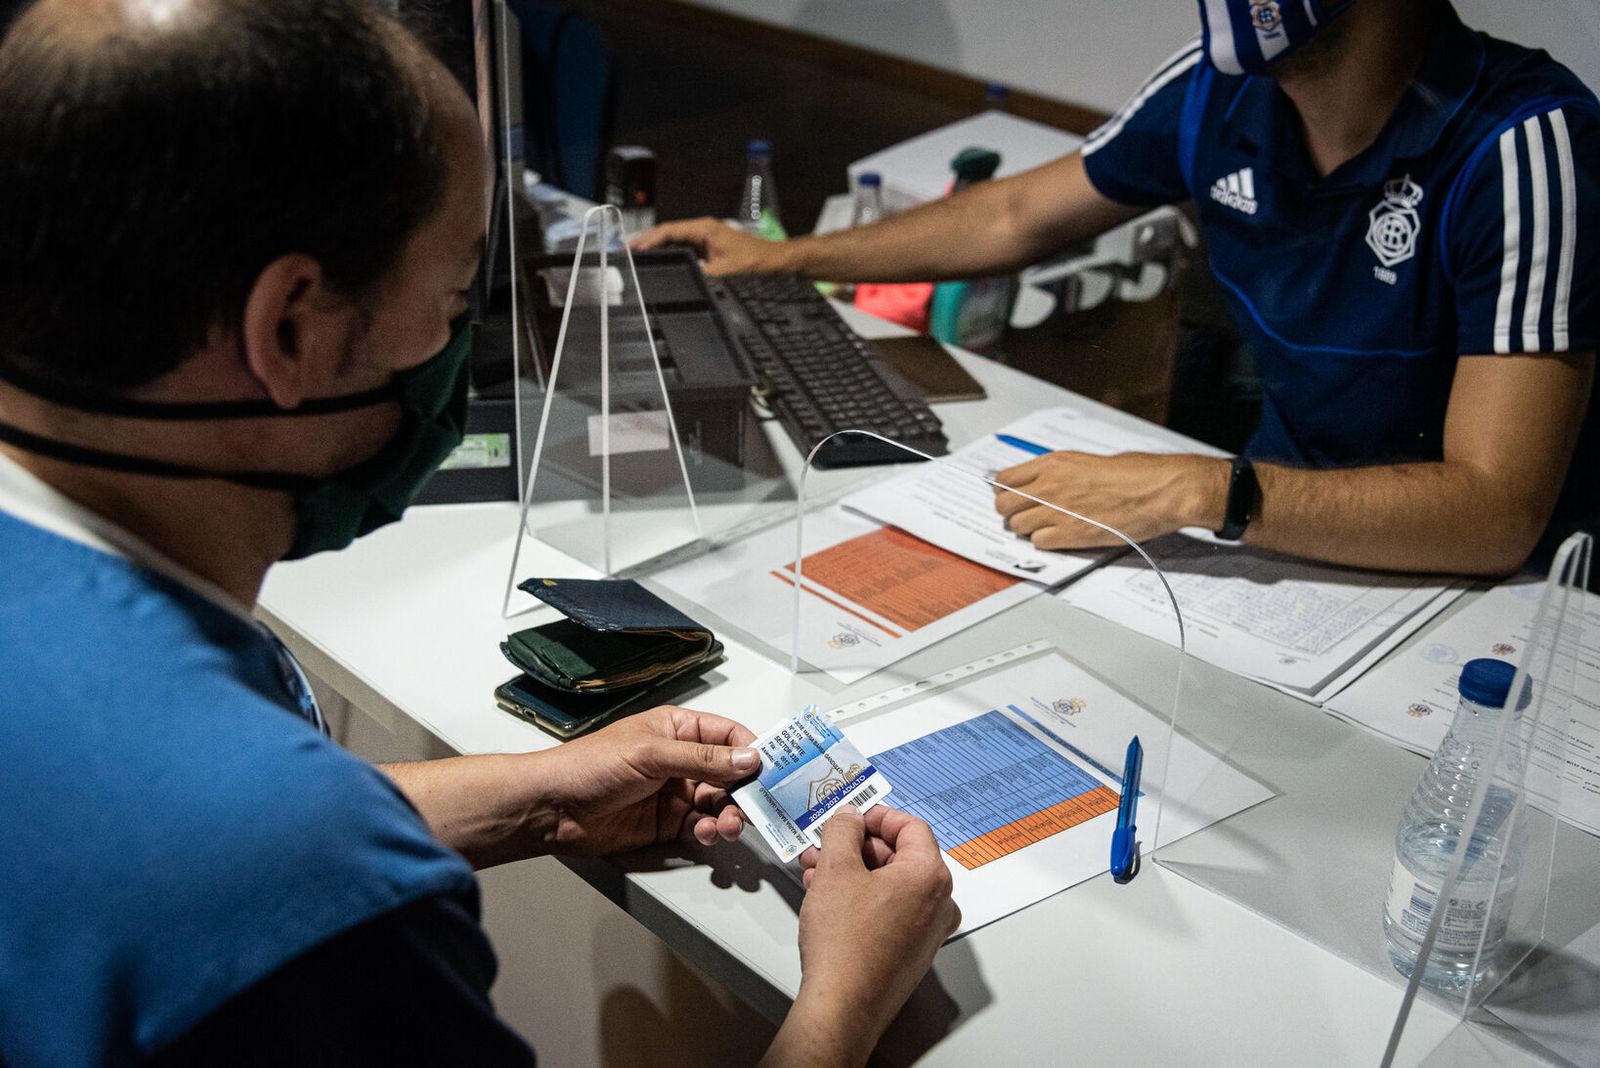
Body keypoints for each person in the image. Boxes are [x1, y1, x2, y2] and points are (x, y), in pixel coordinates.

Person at [0, 2, 958, 1065]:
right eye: (458, 296)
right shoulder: (294, 897)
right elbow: (251, 858)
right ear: (292, 327)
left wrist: (540, 801)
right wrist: (846, 997)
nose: (459, 346)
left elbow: (151, 843)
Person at [638, 0, 1598, 578]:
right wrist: (785, 255)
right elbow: (1016, 217)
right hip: (1270, 537)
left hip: (1463, 595)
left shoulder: (1526, 145)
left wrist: (1203, 486)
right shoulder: (1218, 91)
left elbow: (1495, 512)